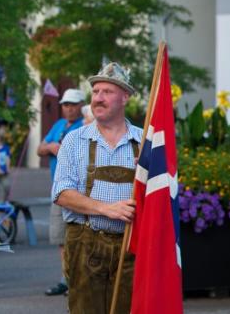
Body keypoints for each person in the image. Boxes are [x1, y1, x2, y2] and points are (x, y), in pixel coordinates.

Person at [52, 63, 142, 314]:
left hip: (132, 248)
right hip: (86, 243)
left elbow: (164, 194)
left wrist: (152, 173)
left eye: (107, 92)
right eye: (96, 91)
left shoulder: (145, 140)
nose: (98, 98)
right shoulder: (74, 139)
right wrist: (106, 209)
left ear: (125, 97)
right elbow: (61, 193)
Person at [38, 88, 85, 296]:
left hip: (76, 190)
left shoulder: (85, 125)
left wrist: (59, 147)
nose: (69, 108)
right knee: (60, 238)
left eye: (73, 104)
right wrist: (51, 147)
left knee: (78, 236)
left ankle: (78, 279)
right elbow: (40, 148)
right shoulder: (58, 125)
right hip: (57, 190)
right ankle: (65, 278)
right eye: (66, 105)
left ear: (81, 106)